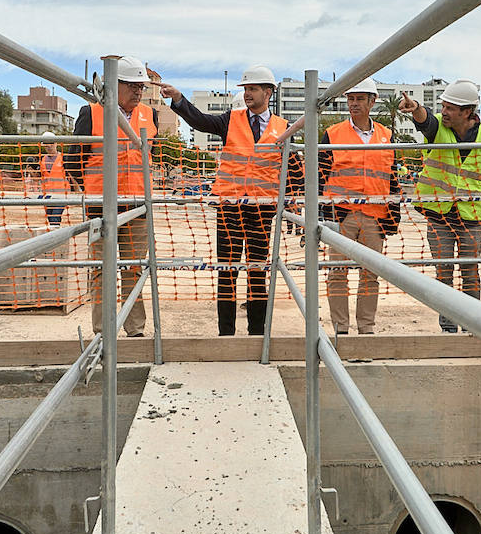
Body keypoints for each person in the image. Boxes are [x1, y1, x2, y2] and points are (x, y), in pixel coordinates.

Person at [161, 65, 295, 336]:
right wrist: (178, 99)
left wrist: (292, 199)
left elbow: (293, 167)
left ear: (268, 92)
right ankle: (226, 335)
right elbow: (199, 121)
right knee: (228, 271)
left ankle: (257, 333)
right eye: (245, 89)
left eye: (253, 89)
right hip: (229, 208)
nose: (247, 94)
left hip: (261, 211)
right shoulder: (229, 120)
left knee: (258, 272)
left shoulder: (283, 129)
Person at [399, 80, 481, 333]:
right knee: (443, 272)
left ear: (467, 112)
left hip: (471, 216)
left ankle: (472, 326)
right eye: (442, 106)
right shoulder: (438, 128)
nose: (443, 111)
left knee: (470, 272)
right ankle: (448, 328)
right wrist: (415, 109)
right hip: (438, 214)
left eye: (450, 108)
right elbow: (425, 121)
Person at [65, 56, 158, 338]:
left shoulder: (149, 115)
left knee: (133, 268)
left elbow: (151, 158)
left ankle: (135, 329)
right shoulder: (91, 113)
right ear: (115, 85)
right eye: (132, 86)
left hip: (138, 205)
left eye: (141, 86)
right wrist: (92, 189)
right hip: (100, 207)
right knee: (102, 271)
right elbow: (73, 161)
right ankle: (103, 331)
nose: (138, 92)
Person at [320, 78, 399, 336]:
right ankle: (341, 331)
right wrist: (323, 216)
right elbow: (319, 177)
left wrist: (392, 216)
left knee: (370, 275)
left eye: (359, 99)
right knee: (337, 274)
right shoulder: (332, 135)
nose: (353, 104)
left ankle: (366, 331)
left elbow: (392, 177)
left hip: (375, 217)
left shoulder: (386, 136)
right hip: (342, 216)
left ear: (372, 102)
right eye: (350, 99)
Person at [36, 132, 65, 229]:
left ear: (56, 144)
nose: (49, 147)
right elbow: (41, 177)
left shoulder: (63, 158)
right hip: (47, 196)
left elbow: (70, 175)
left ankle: (55, 238)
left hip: (60, 196)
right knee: (51, 219)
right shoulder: (43, 159)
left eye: (51, 144)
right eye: (46, 145)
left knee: (55, 218)